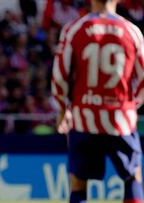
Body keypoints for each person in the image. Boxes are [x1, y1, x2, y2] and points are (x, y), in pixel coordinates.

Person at [52, 0, 144, 202]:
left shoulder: (74, 30)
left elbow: (59, 77)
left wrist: (62, 109)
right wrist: (132, 105)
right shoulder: (132, 31)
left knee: (78, 183)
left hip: (84, 117)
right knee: (133, 177)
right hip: (121, 118)